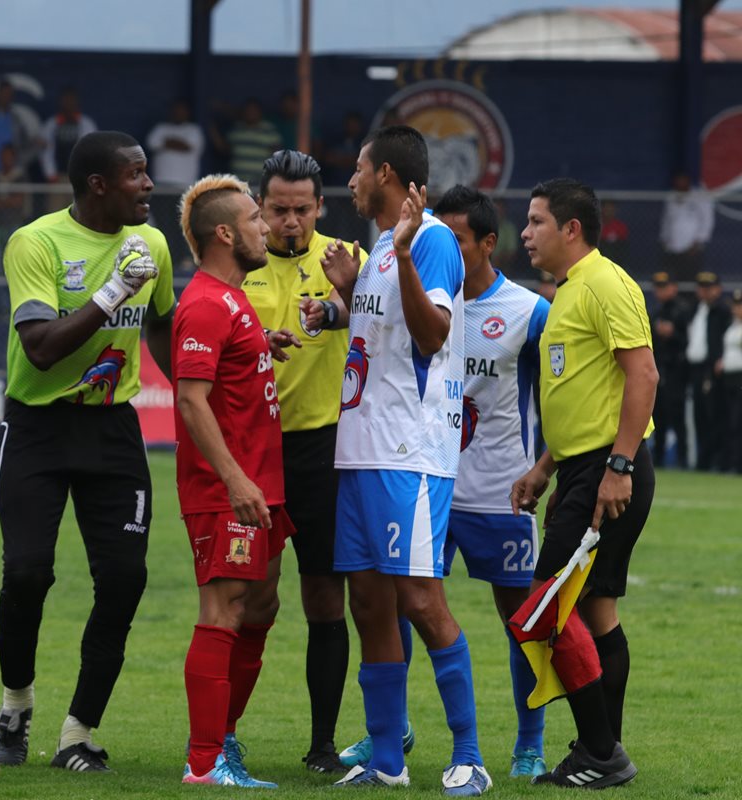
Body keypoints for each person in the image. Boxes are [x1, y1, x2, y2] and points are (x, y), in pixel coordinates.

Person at [0, 130, 174, 773]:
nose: (148, 184)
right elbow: (40, 348)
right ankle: (15, 705)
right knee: (27, 574)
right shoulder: (35, 242)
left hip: (112, 429)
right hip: (37, 428)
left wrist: (200, 390)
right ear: (99, 185)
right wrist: (111, 291)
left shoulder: (151, 243)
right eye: (136, 174)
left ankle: (77, 733)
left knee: (125, 579)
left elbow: (165, 326)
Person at [322, 125, 490, 795]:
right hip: (360, 451)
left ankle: (470, 756)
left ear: (386, 173)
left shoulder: (431, 241)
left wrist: (402, 255)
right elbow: (384, 340)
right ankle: (387, 761)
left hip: (409, 455)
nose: (352, 182)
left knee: (421, 599)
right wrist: (346, 295)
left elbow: (432, 335)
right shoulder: (378, 254)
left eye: (359, 170)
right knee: (369, 604)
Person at [511, 177, 657, 789]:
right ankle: (600, 752)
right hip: (582, 469)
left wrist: (618, 468)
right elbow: (584, 394)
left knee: (545, 607)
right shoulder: (569, 290)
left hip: (608, 470)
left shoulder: (604, 283)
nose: (526, 233)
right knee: (595, 611)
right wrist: (545, 468)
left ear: (572, 229)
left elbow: (643, 375)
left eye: (537, 221)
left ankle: (600, 753)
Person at [242, 150, 366, 773]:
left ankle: (322, 745)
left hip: (325, 450)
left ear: (320, 207)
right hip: (256, 452)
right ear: (259, 208)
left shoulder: (347, 260)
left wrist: (344, 300)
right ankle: (220, 736)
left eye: (301, 209)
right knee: (252, 600)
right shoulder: (238, 266)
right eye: (277, 209)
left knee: (324, 597)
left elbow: (383, 327)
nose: (289, 221)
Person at [174, 173, 298, 788]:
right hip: (229, 492)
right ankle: (204, 763)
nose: (266, 227)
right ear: (224, 233)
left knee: (261, 605)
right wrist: (234, 481)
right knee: (223, 610)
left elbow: (221, 370)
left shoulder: (232, 299)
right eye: (254, 219)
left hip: (260, 486)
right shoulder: (203, 302)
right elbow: (190, 399)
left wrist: (258, 346)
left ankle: (221, 737)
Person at [434, 185, 552, 778]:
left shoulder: (529, 312)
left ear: (487, 243)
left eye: (456, 240)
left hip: (501, 493)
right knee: (399, 605)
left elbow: (570, 394)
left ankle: (530, 744)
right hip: (428, 482)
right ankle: (391, 731)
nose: (444, 251)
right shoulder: (425, 303)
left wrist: (545, 466)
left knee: (520, 618)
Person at [685, 271, 731, 471]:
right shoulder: (694, 310)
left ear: (718, 289)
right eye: (702, 287)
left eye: (709, 287)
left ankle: (716, 460)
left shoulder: (722, 311)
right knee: (699, 416)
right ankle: (703, 460)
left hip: (712, 369)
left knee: (715, 414)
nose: (705, 291)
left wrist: (720, 358)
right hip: (694, 368)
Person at [649, 272, 690, 468]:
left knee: (677, 415)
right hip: (659, 369)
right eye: (658, 287)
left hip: (677, 371)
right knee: (658, 416)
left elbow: (689, 342)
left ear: (674, 287)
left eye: (664, 286)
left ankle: (683, 459)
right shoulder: (655, 312)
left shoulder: (683, 311)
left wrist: (672, 334)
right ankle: (658, 457)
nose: (660, 291)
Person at [210, 99, 282, 186]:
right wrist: (212, 130)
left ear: (260, 112)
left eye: (254, 111)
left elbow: (277, 157)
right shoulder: (237, 129)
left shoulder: (269, 130)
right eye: (248, 110)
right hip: (238, 182)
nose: (251, 113)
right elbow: (224, 149)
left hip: (259, 183)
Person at [658, 171, 714, 283]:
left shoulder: (699, 196)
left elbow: (707, 221)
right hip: (672, 248)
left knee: (690, 280)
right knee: (671, 278)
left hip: (692, 249)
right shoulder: (671, 196)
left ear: (688, 180)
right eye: (678, 180)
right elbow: (666, 220)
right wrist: (664, 239)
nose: (680, 183)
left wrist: (698, 243)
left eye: (683, 180)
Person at [39, 88, 97, 188]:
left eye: (71, 101)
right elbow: (45, 152)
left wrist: (85, 175)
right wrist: (50, 173)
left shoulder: (87, 124)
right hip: (58, 177)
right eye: (66, 101)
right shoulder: (51, 124)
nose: (69, 104)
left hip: (79, 177)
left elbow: (93, 153)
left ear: (77, 102)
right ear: (61, 102)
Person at [146, 99, 204, 189]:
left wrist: (167, 142)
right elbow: (152, 144)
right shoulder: (160, 128)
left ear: (188, 113)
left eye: (182, 111)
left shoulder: (194, 130)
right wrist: (179, 143)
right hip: (161, 179)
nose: (178, 113)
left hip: (185, 182)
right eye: (176, 110)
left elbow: (187, 147)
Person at [721, 290, 742, 473]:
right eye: (735, 305)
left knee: (738, 421)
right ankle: (732, 462)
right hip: (729, 379)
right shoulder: (732, 326)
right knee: (731, 421)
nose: (736, 309)